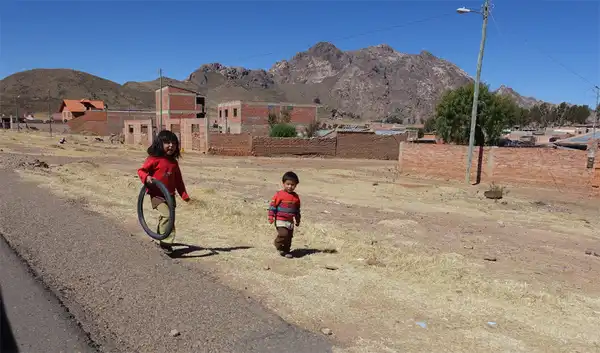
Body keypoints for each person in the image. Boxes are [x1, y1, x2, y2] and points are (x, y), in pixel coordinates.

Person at [137, 130, 190, 252]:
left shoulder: (173, 163)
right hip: (157, 195)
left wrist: (184, 195)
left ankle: (161, 236)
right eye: (167, 142)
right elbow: (141, 171)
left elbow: (179, 181)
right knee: (167, 216)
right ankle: (166, 243)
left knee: (169, 219)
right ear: (159, 144)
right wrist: (147, 178)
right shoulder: (153, 159)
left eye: (174, 143)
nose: (171, 145)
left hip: (170, 196)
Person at [268, 171, 301, 258]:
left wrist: (297, 220)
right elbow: (273, 206)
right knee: (283, 234)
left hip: (290, 221)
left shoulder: (296, 197)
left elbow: (297, 210)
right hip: (280, 220)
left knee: (289, 238)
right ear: (283, 183)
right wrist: (271, 216)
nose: (290, 186)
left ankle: (286, 251)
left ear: (296, 185)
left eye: (292, 185)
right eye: (288, 184)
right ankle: (278, 244)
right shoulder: (279, 195)